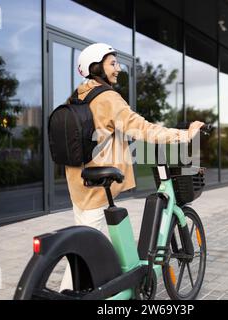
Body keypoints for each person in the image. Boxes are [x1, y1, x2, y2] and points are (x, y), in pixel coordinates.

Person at [60, 43, 203, 291]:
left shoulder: (77, 96)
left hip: (79, 184)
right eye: (112, 63)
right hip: (98, 189)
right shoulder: (107, 97)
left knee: (83, 247)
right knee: (86, 255)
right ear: (96, 67)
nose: (118, 69)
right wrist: (185, 135)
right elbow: (143, 128)